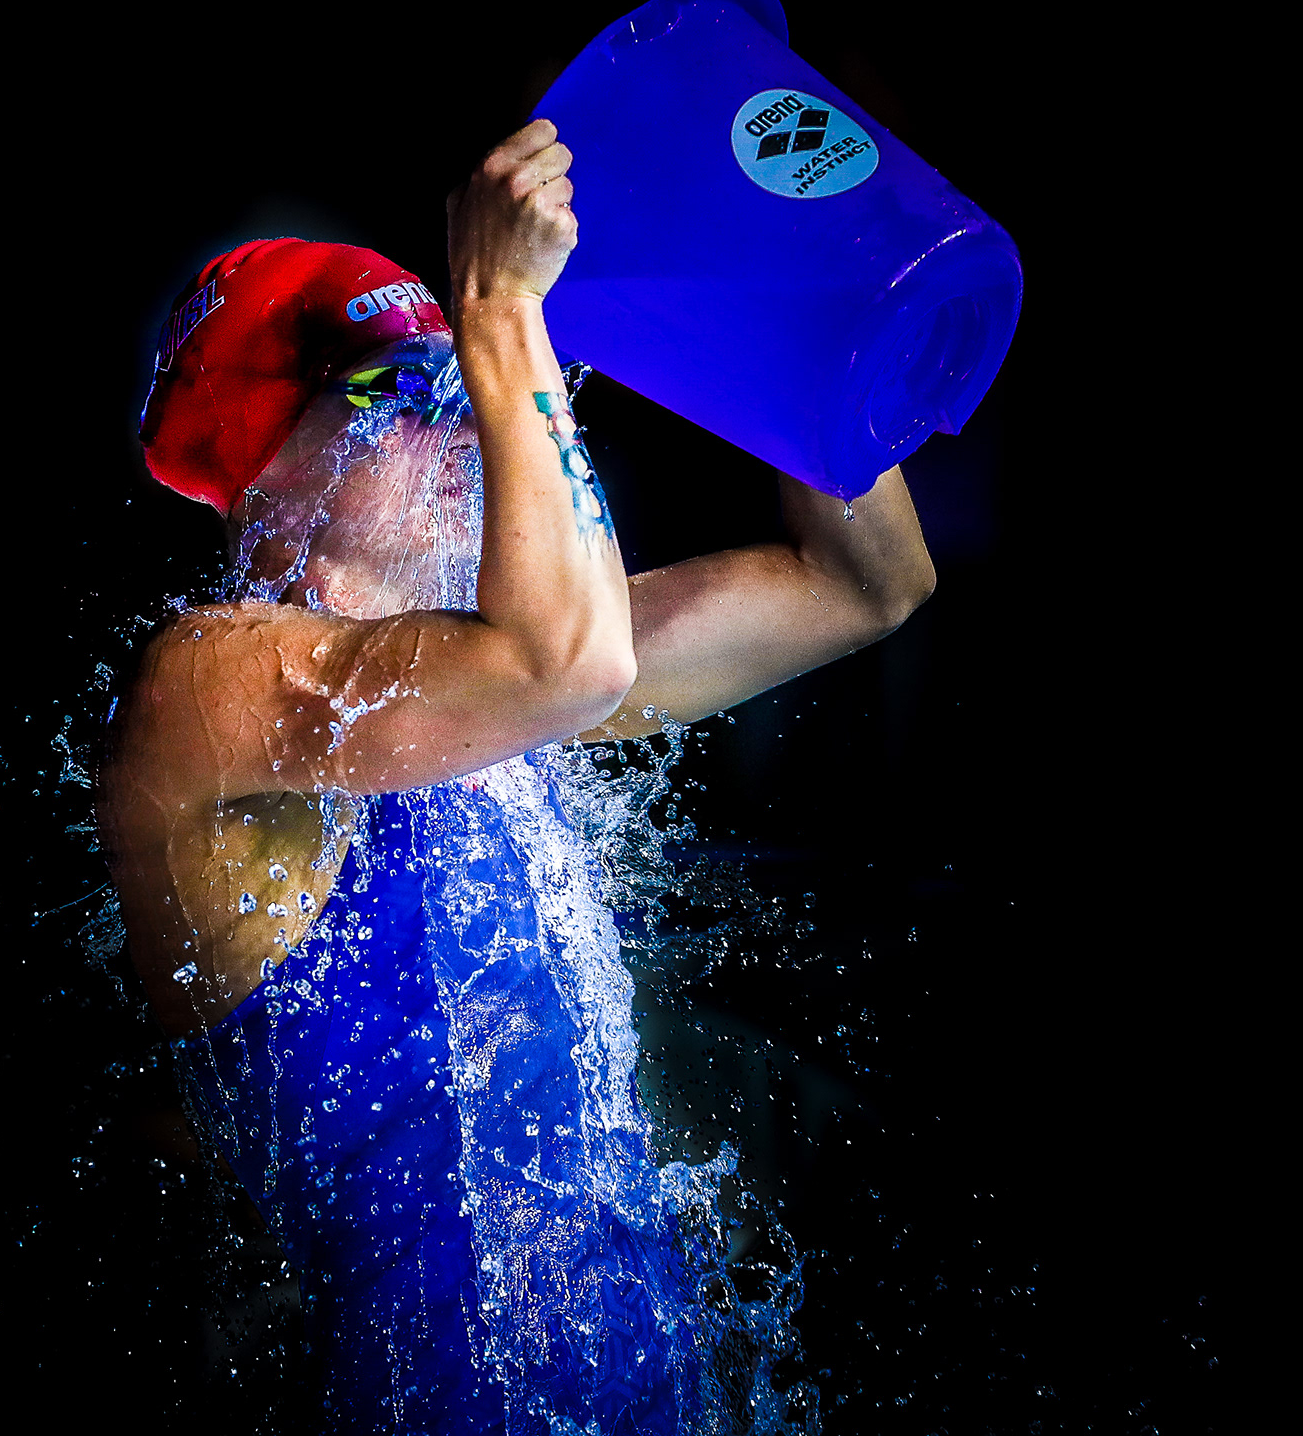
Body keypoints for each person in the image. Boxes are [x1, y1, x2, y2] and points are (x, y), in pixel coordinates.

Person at [97, 119, 936, 1434]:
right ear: (265, 469)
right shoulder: (200, 686)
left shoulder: (494, 693)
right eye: (398, 390)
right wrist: (497, 310)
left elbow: (866, 581)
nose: (462, 420)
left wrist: (774, 303)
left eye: (455, 375)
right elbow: (566, 662)